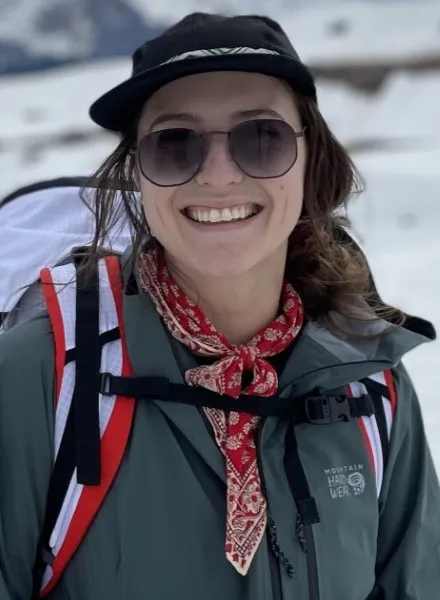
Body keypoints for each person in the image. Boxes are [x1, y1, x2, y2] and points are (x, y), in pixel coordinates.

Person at [0, 12, 438, 600]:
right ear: (138, 172)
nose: (219, 176)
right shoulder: (44, 378)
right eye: (174, 145)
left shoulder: (369, 384)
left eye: (262, 138)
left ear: (311, 162)